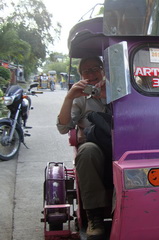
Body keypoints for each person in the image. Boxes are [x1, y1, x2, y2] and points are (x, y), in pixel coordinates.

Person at [56, 56, 112, 239]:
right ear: (81, 76)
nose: (92, 74)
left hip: (125, 142)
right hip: (95, 145)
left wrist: (107, 96)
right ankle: (94, 217)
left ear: (104, 71)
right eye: (86, 71)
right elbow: (63, 128)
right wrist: (69, 96)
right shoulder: (80, 99)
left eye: (96, 69)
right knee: (87, 152)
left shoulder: (117, 90)